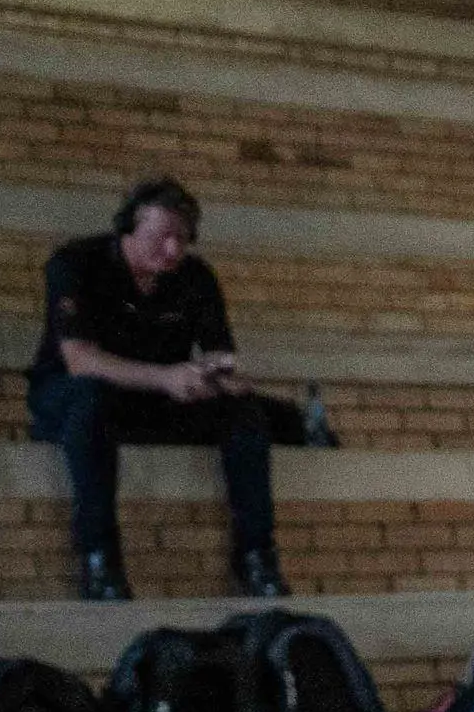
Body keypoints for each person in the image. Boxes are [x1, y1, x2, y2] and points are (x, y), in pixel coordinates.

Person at [29, 179, 290, 602]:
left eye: (182, 239)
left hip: (154, 401)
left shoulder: (196, 277)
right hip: (73, 394)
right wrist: (166, 377)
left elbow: (220, 356)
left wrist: (216, 381)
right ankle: (100, 560)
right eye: (160, 237)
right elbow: (80, 360)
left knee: (246, 414)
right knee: (90, 401)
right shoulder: (75, 262)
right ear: (128, 229)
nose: (172, 251)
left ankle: (257, 557)